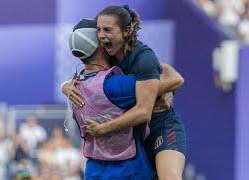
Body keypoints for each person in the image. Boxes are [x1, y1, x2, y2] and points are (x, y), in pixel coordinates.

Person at [64, 6, 187, 180]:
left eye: (107, 30)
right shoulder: (108, 55)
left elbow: (176, 79)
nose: (101, 35)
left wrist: (103, 128)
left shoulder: (142, 56)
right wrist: (65, 85)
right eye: (98, 30)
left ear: (126, 30)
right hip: (134, 130)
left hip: (161, 124)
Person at [65, 18, 155, 180]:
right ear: (100, 44)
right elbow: (173, 79)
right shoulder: (114, 85)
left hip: (94, 170)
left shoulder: (74, 87)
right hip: (129, 170)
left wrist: (63, 85)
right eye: (100, 32)